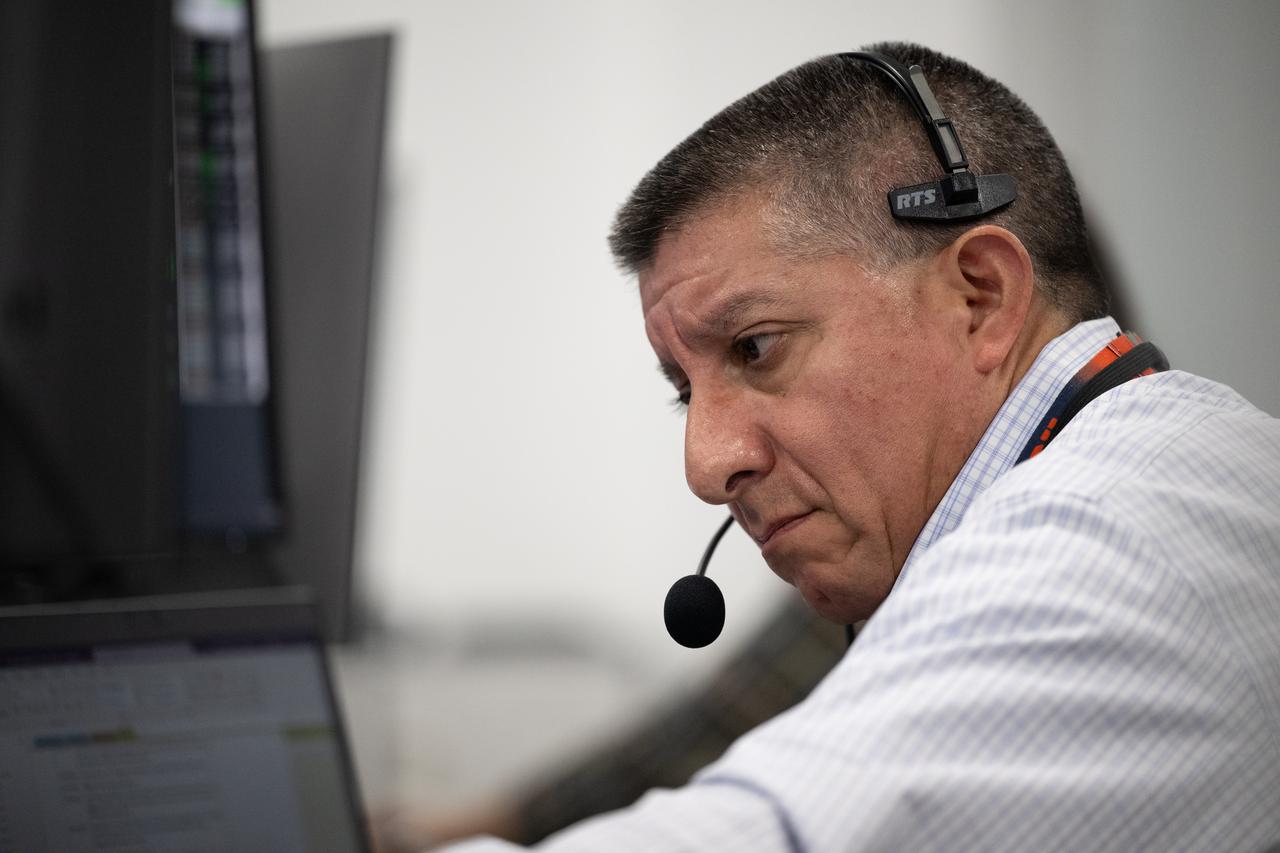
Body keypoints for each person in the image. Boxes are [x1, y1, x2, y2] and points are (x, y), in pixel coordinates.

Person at [442, 42, 1280, 851]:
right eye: (684, 391)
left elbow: (783, 834)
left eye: (756, 346)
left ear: (980, 297)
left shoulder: (1117, 536)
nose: (705, 466)